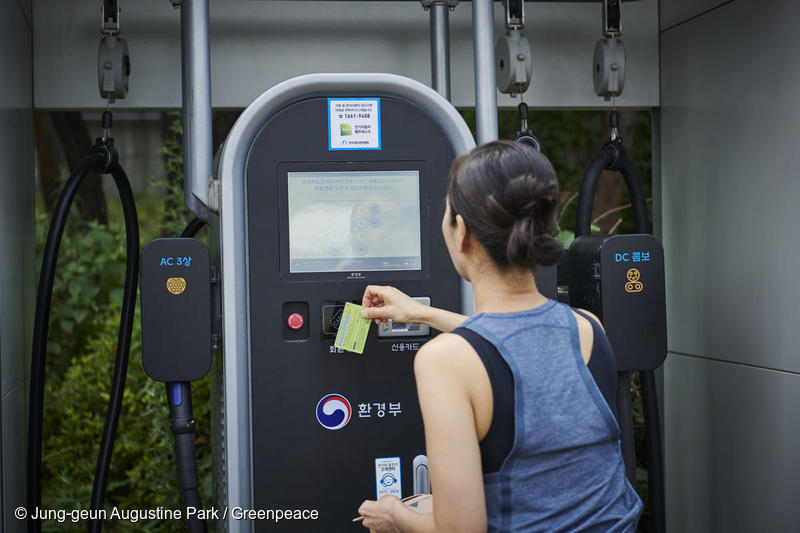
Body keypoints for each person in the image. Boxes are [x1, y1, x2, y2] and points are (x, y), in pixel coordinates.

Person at [356, 140, 642, 532]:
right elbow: (513, 346)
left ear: (463, 233)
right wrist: (419, 312)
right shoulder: (588, 329)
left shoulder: (445, 362)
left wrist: (393, 514)